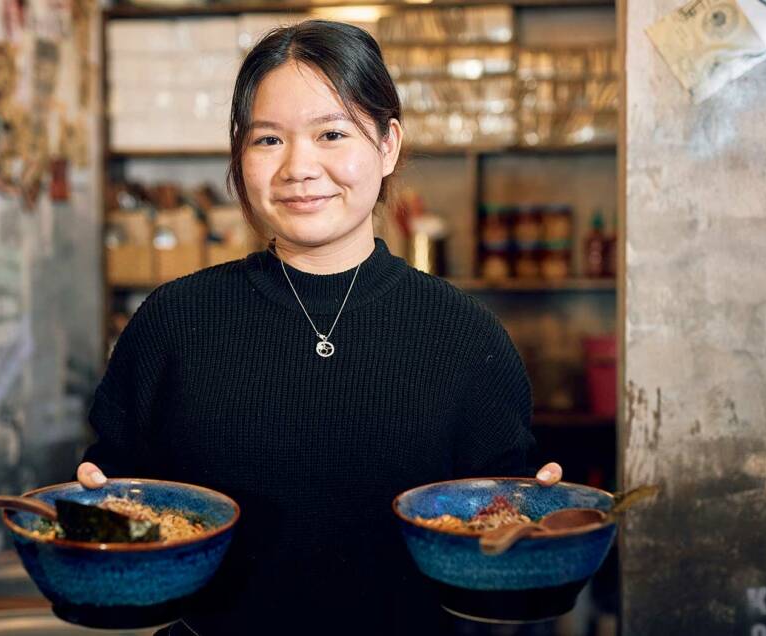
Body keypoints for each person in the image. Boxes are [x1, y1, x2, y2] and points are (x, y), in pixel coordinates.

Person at [77, 21, 563, 634]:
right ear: (239, 155)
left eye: (332, 133)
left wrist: (536, 521)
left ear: (388, 145)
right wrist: (96, 503)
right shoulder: (173, 322)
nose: (299, 168)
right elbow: (120, 494)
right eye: (268, 140)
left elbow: (500, 530)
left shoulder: (466, 337)